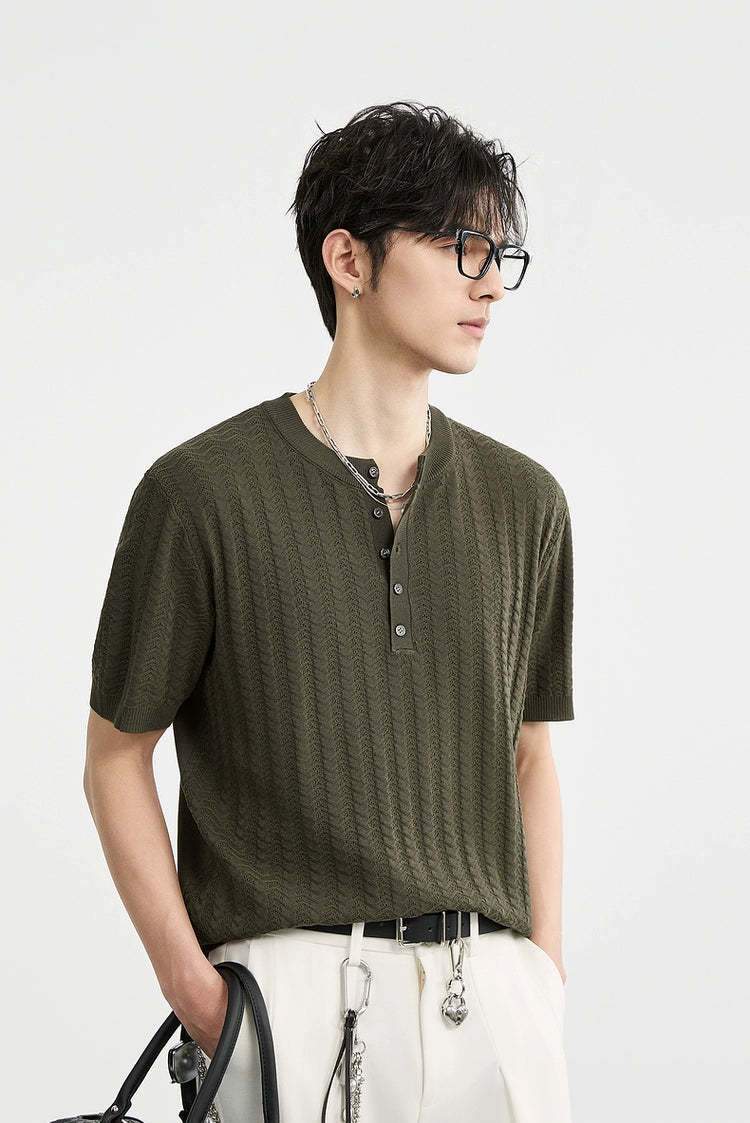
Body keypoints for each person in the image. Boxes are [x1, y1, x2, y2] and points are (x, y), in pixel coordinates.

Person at [84, 101, 575, 1123]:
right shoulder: (201, 495)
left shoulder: (526, 503)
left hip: (490, 1001)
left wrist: (542, 977)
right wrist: (201, 996)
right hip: (291, 997)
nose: (489, 281)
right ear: (347, 259)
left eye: (500, 253)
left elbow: (529, 754)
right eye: (459, 245)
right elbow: (116, 757)